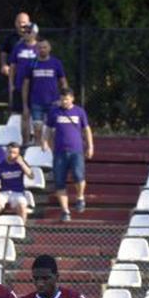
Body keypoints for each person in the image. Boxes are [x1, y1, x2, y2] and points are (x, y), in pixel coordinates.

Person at [43, 91, 93, 222]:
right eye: (62, 99)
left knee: (78, 175)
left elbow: (86, 129)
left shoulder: (79, 112)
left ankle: (80, 197)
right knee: (59, 182)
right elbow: (48, 128)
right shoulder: (54, 112)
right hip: (59, 152)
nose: (64, 102)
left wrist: (90, 146)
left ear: (72, 98)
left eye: (66, 99)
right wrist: (44, 141)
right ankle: (65, 211)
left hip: (76, 150)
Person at [21, 39, 68, 144]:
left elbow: (63, 82)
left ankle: (51, 156)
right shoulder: (32, 63)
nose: (42, 50)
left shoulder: (56, 63)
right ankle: (38, 154)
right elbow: (26, 85)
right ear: (36, 49)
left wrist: (65, 98)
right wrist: (25, 105)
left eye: (45, 47)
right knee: (37, 130)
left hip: (53, 102)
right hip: (36, 103)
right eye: (40, 47)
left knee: (52, 131)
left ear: (49, 48)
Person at [0, 143, 34, 226]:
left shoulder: (21, 164)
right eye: (10, 152)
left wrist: (22, 164)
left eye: (14, 153)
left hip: (18, 192)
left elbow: (31, 176)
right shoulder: (0, 165)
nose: (12, 155)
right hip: (3, 192)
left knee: (23, 208)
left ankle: (21, 229)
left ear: (18, 154)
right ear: (6, 152)